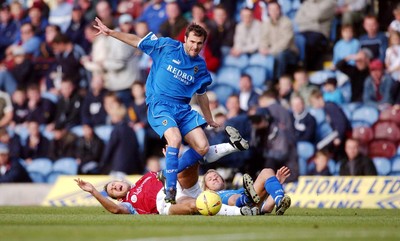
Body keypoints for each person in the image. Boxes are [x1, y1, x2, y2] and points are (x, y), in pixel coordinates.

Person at [93, 17, 237, 204]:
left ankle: (165, 173)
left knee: (202, 147)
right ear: (185, 39)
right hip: (160, 105)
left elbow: (201, 95)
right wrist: (111, 33)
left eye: (199, 44)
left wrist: (208, 118)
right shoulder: (166, 47)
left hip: (183, 110)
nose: (195, 47)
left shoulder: (200, 67)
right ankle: (170, 188)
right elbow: (137, 41)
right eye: (192, 41)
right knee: (175, 140)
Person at [76, 126, 257, 215]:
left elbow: (171, 171)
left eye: (114, 184)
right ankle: (241, 212)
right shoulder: (129, 204)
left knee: (194, 156)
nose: (115, 187)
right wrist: (93, 191)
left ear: (123, 180)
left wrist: (172, 159)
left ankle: (234, 146)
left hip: (176, 183)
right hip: (167, 203)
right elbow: (116, 210)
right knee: (196, 205)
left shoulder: (145, 177)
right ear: (118, 197)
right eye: (113, 191)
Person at [202, 166, 291, 215]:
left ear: (223, 181)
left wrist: (277, 183)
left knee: (267, 172)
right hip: (240, 203)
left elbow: (267, 208)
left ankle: (279, 200)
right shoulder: (215, 196)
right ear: (207, 188)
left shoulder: (236, 190)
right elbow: (232, 200)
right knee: (266, 172)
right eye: (210, 179)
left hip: (252, 204)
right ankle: (246, 199)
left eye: (216, 177)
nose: (214, 178)